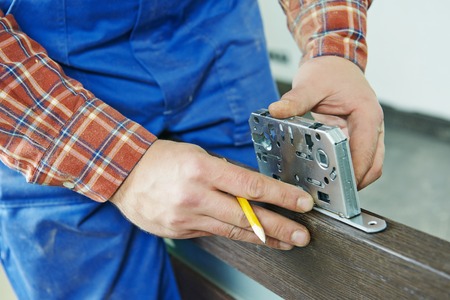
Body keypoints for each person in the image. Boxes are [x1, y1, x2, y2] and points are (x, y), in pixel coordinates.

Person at [0, 0, 383, 298]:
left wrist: (333, 46)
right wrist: (119, 166)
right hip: (35, 75)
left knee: (277, 234)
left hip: (210, 31)